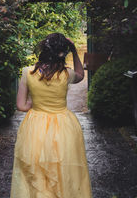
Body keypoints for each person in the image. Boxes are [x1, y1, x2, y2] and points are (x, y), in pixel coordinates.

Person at [10, 33, 92, 198]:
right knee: (62, 169)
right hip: (63, 126)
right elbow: (81, 74)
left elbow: (21, 105)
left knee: (35, 169)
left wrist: (37, 103)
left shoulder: (28, 72)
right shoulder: (66, 74)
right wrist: (75, 52)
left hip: (35, 126)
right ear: (62, 53)